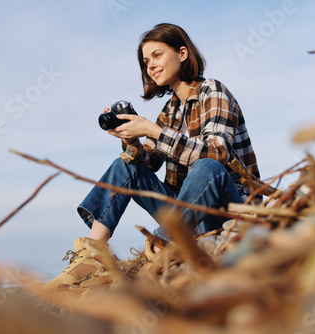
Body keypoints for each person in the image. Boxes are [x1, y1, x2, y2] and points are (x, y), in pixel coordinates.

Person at [44, 23, 260, 289]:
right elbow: (148, 162)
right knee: (124, 166)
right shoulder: (169, 111)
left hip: (226, 215)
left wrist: (153, 129)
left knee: (207, 167)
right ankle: (92, 254)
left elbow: (217, 153)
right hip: (185, 218)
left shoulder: (212, 91)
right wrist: (131, 138)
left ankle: (159, 243)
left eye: (157, 55)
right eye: (146, 61)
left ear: (182, 53)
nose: (150, 66)